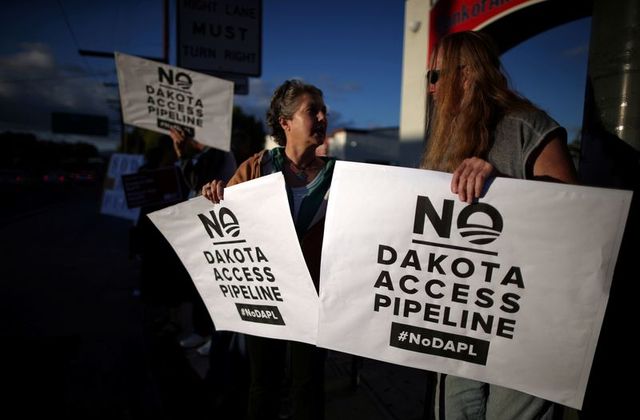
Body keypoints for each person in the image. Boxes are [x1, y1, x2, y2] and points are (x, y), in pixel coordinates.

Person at [421, 31, 578, 420]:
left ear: (467, 74)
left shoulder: (527, 125)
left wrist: (500, 186)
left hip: (524, 317)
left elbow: (574, 211)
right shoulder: (446, 139)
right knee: (455, 409)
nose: (431, 88)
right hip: (462, 313)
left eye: (436, 76)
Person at [201, 79, 334, 420]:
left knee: (308, 385)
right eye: (312, 111)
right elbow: (222, 226)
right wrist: (214, 194)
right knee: (263, 383)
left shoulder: (339, 176)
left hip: (315, 297)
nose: (322, 117)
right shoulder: (256, 168)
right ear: (285, 122)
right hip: (265, 294)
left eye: (323, 110)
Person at [168, 128, 237, 355]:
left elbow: (197, 182)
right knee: (202, 284)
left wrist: (182, 154)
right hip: (203, 228)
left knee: (213, 286)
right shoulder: (207, 154)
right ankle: (204, 331)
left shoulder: (217, 153)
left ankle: (213, 335)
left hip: (214, 229)